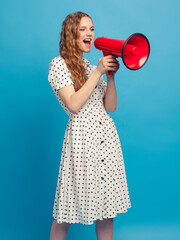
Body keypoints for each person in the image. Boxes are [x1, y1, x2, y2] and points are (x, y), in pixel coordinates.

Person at [48, 11, 131, 240]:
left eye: (92, 29)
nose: (89, 33)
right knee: (66, 212)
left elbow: (110, 106)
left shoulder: (89, 65)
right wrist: (98, 71)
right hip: (82, 141)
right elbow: (74, 104)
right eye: (83, 29)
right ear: (70, 34)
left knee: (106, 211)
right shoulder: (58, 65)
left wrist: (111, 76)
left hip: (106, 139)